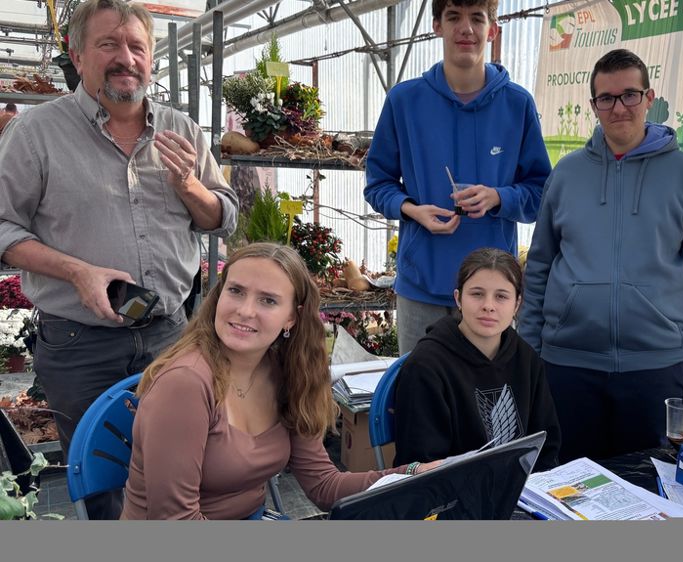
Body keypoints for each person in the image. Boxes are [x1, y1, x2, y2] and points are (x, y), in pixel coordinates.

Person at [0, 0, 238, 518]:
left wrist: (192, 187)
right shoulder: (36, 134)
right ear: (78, 54)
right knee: (104, 484)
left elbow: (225, 216)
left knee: (184, 472)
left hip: (172, 335)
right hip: (78, 345)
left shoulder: (182, 131)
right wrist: (76, 271)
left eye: (136, 46)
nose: (124, 57)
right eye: (108, 44)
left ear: (151, 58)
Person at [121, 243, 439, 520]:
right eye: (236, 291)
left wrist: (411, 474)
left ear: (292, 317)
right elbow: (175, 522)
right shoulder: (185, 384)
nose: (245, 310)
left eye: (268, 300)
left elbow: (324, 485)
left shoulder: (287, 373)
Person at [518, 49, 683, 463]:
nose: (618, 108)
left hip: (658, 367)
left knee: (649, 490)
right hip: (568, 364)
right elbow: (540, 264)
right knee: (565, 490)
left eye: (629, 95)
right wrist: (531, 348)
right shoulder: (566, 174)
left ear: (649, 98)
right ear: (593, 105)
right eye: (606, 98)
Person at [364, 0, 551, 354]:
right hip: (423, 288)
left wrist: (499, 197)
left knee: (486, 398)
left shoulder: (517, 104)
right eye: (454, 17)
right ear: (437, 26)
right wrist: (411, 209)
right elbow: (378, 184)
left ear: (492, 29)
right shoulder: (404, 101)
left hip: (491, 293)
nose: (465, 28)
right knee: (421, 398)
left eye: (477, 18)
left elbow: (542, 193)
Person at [393, 247, 561, 471]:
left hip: (522, 491)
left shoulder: (527, 359)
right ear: (458, 298)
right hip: (449, 494)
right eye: (477, 294)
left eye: (501, 296)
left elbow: (547, 447)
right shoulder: (425, 367)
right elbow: (420, 462)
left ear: (517, 304)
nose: (488, 306)